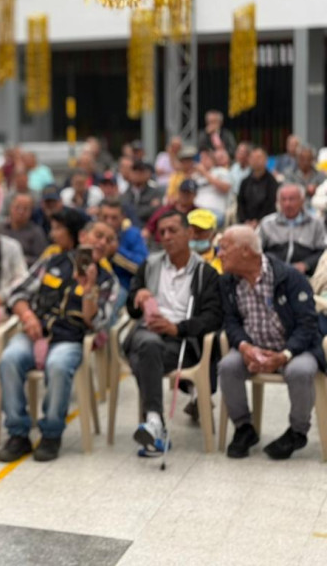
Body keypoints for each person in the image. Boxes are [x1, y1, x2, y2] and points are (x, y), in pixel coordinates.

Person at [0, 220, 118, 463]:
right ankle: (18, 433)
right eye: (98, 235)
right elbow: (17, 293)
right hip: (35, 331)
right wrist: (28, 315)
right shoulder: (52, 262)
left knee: (59, 366)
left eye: (109, 239)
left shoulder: (107, 280)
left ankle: (51, 433)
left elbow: (95, 320)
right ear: (83, 236)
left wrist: (89, 288)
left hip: (69, 338)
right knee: (9, 359)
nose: (102, 242)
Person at [217, 225, 327, 460]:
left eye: (224, 248)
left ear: (246, 251)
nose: (219, 254)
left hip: (295, 349)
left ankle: (298, 431)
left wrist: (284, 355)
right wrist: (246, 348)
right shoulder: (228, 282)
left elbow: (307, 324)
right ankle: (244, 428)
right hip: (253, 346)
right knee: (227, 366)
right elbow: (231, 322)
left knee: (299, 371)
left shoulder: (289, 277)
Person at [124, 210, 222, 455]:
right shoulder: (149, 265)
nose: (167, 237)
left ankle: (154, 424)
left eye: (173, 231)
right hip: (146, 332)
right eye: (162, 232)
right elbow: (132, 309)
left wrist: (176, 328)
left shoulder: (205, 273)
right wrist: (137, 297)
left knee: (145, 357)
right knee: (147, 343)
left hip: (181, 342)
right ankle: (156, 422)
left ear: (189, 233)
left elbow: (212, 318)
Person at [258, 184, 326, 276]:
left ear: (302, 201)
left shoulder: (316, 223)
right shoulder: (267, 223)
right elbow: (257, 251)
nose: (287, 204)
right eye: (283, 199)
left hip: (306, 275)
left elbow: (322, 251)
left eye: (292, 199)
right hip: (273, 273)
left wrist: (306, 265)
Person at [99, 198, 148, 298]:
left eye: (114, 218)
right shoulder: (92, 234)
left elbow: (143, 267)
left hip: (123, 287)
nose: (109, 222)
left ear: (123, 218)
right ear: (98, 217)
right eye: (105, 217)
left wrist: (117, 251)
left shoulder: (132, 234)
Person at [237, 147, 279, 226]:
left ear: (266, 160)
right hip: (246, 223)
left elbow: (270, 204)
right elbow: (240, 204)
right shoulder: (244, 182)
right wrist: (245, 221)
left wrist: (258, 221)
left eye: (259, 157)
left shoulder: (272, 182)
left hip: (267, 223)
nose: (255, 160)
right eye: (253, 157)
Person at [5, 193, 47, 266]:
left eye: (25, 209)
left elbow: (41, 259)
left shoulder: (36, 232)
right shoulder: (0, 228)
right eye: (17, 207)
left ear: (31, 212)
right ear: (10, 208)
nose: (21, 212)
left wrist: (21, 260)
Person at [193, 148, 232, 226]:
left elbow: (225, 188)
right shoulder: (196, 176)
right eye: (201, 158)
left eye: (205, 158)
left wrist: (205, 173)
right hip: (196, 210)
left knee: (199, 224)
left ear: (212, 159)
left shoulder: (221, 171)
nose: (202, 161)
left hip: (215, 211)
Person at [121, 160, 162, 230]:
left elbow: (157, 212)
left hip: (149, 230)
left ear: (147, 174)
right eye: (135, 171)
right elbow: (124, 212)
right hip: (128, 229)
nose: (138, 174)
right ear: (130, 174)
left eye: (141, 171)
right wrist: (150, 208)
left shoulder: (155, 192)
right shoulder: (124, 194)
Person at [188, 208, 223, 273]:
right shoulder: (177, 260)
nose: (195, 236)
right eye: (191, 231)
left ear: (213, 235)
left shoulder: (223, 261)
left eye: (200, 231)